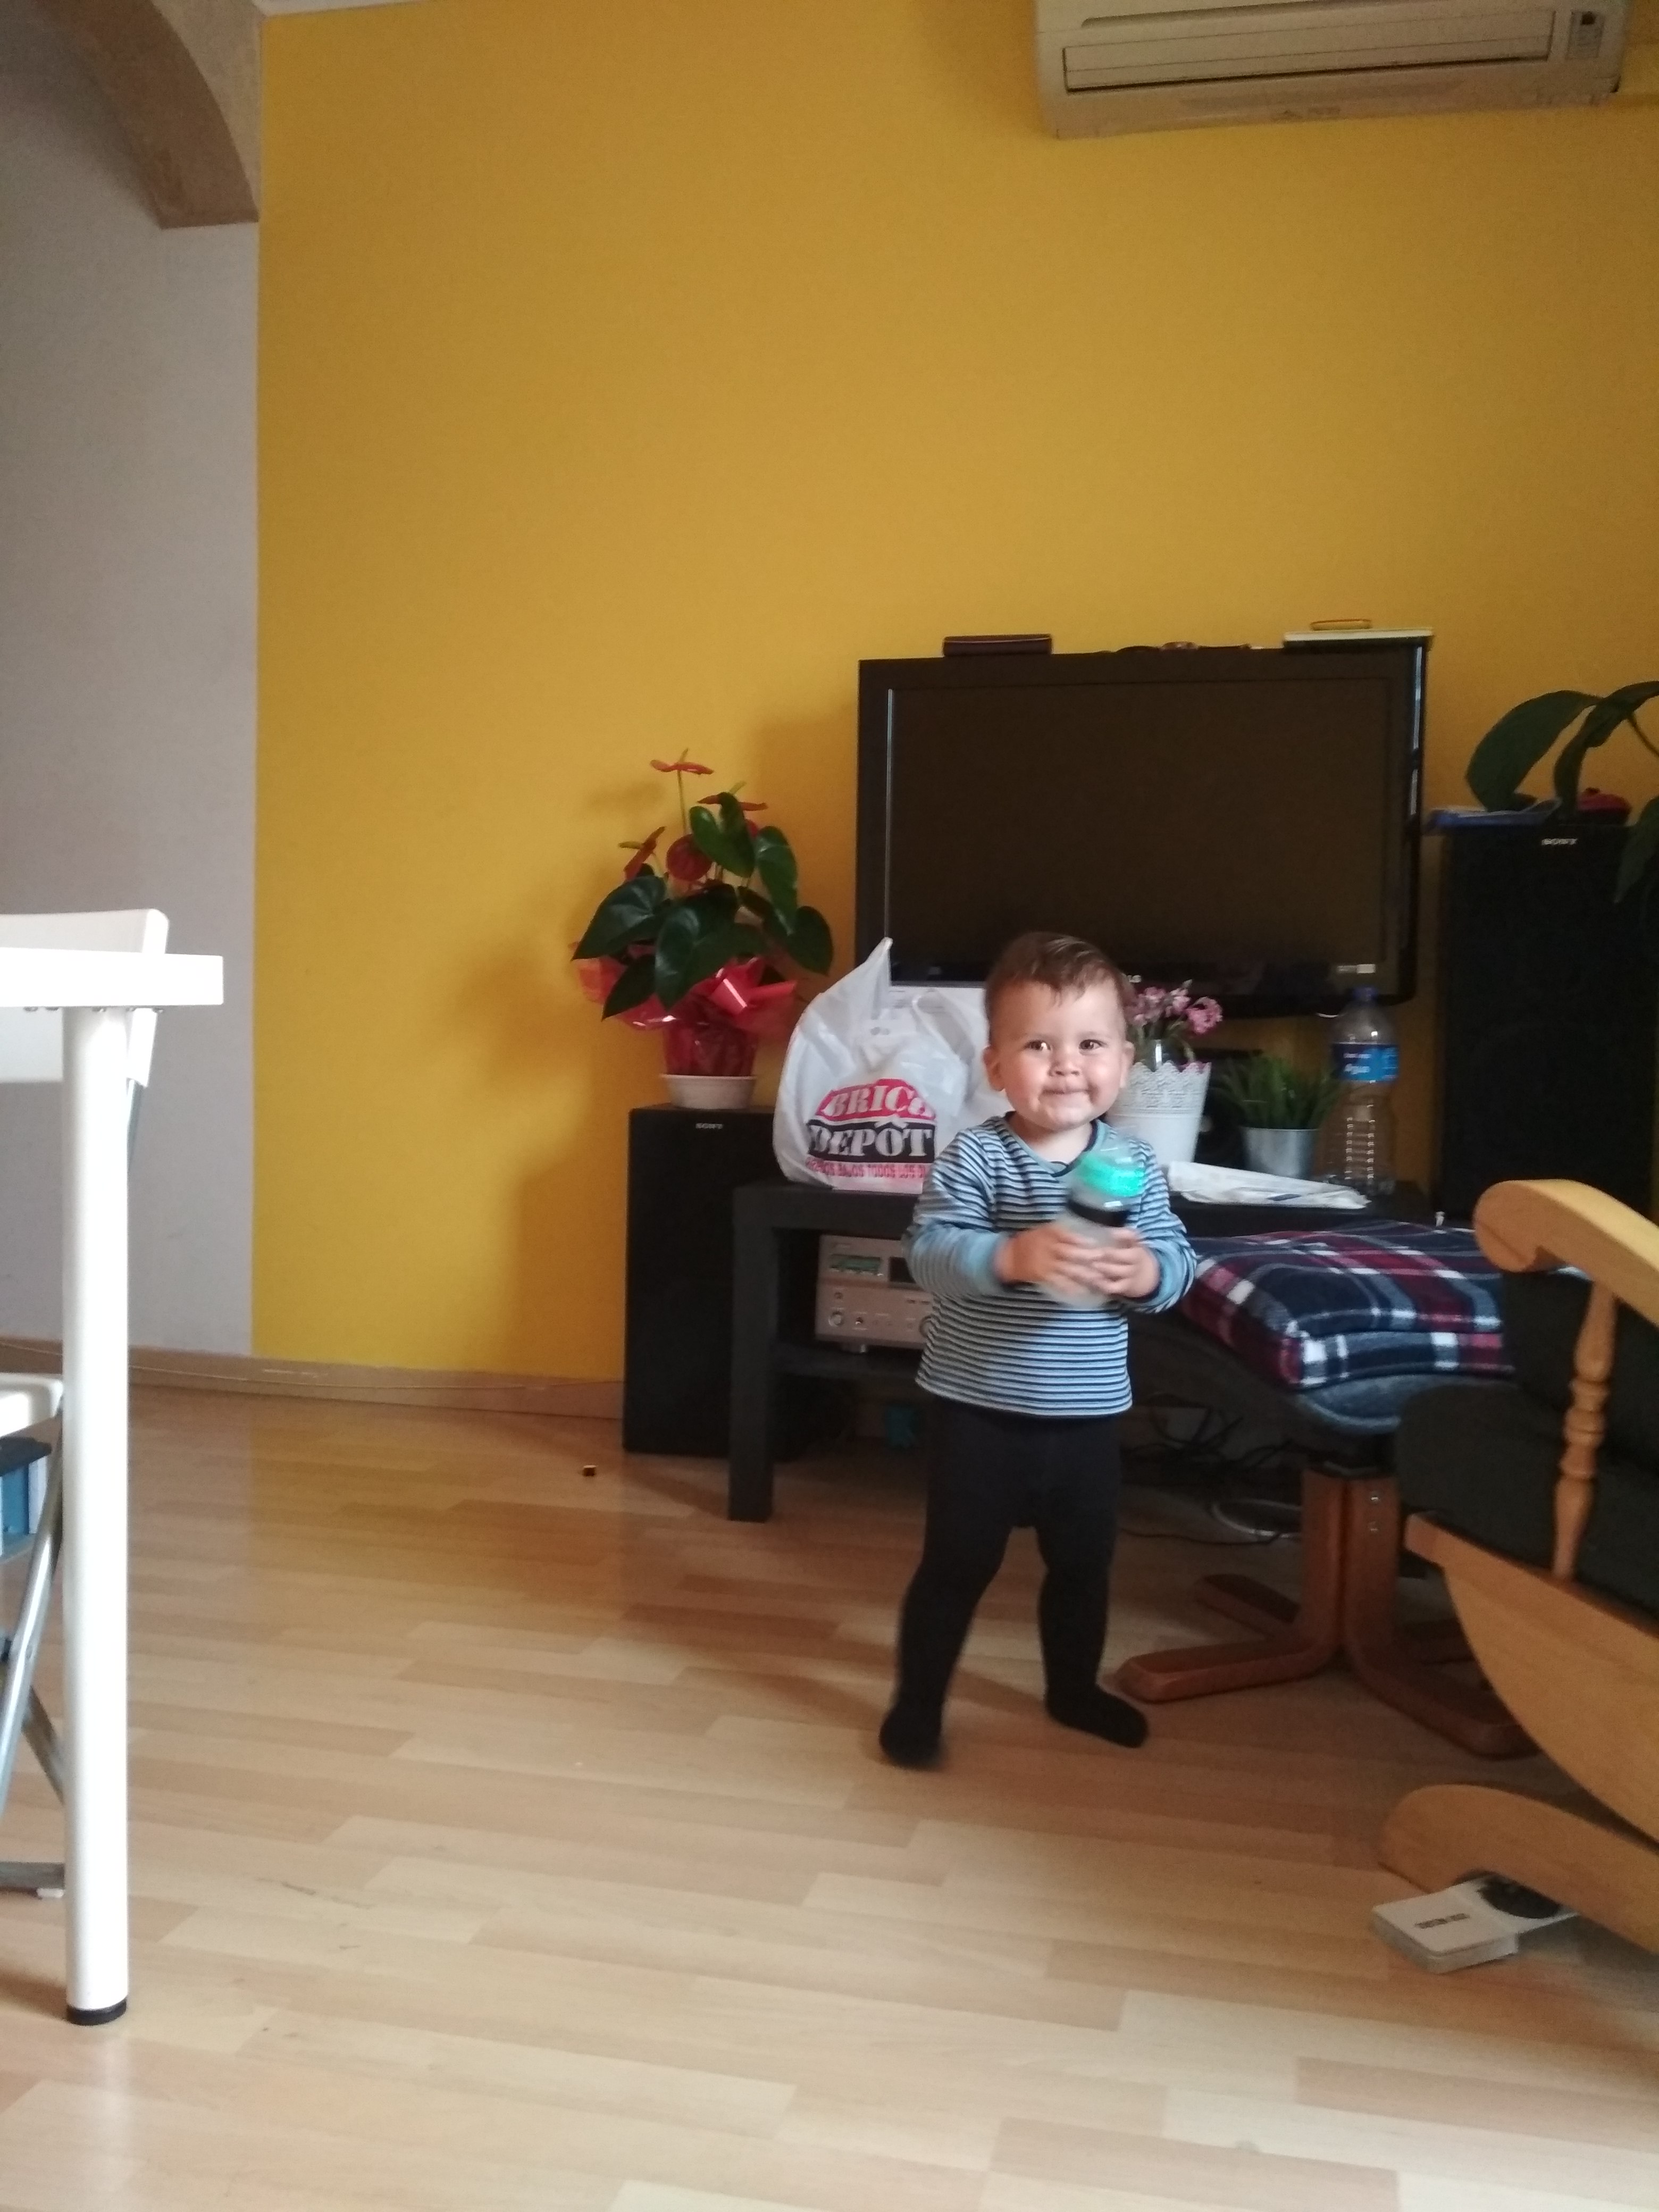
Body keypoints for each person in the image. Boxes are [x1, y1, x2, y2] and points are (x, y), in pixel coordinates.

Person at [879, 931, 1196, 1769]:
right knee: (956, 1565)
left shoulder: (1132, 1164)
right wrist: (1010, 1257)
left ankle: (1072, 1690)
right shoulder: (979, 1157)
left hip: (1086, 1417)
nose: (1065, 1066)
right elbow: (929, 1254)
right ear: (995, 1066)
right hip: (977, 1410)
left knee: (1084, 1566)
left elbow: (1178, 1262)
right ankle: (917, 1705)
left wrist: (1145, 1272)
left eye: (1090, 1044)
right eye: (1038, 1046)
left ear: (1124, 1062)